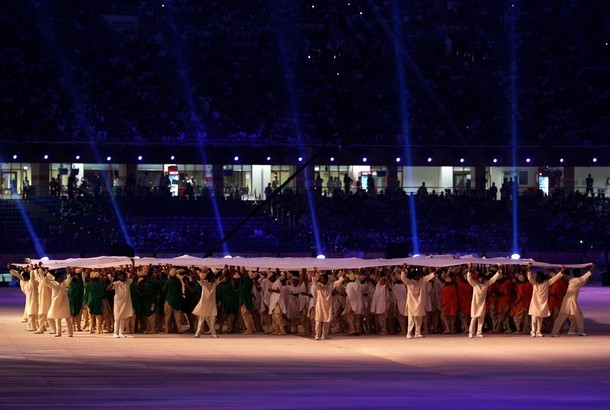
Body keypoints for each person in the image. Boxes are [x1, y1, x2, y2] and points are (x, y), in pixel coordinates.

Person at [551, 264, 595, 337]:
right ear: (578, 274)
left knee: (572, 317)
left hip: (568, 300)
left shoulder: (573, 280)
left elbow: (584, 280)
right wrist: (592, 268)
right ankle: (580, 331)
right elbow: (585, 277)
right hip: (571, 301)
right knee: (578, 315)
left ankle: (570, 330)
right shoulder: (576, 280)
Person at [466, 263, 502, 338]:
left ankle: (479, 332)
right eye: (479, 278)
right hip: (475, 303)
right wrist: (469, 268)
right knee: (474, 318)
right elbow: (469, 278)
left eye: (482, 278)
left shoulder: (486, 284)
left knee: (481, 318)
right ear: (478, 278)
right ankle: (471, 332)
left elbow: (493, 279)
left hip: (482, 304)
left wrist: (499, 270)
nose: (481, 279)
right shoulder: (474, 284)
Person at [527, 263, 564, 337]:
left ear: (541, 277)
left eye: (537, 277)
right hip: (535, 303)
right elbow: (529, 277)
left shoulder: (546, 283)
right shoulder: (535, 283)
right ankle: (533, 332)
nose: (536, 278)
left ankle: (538, 332)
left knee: (540, 319)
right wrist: (529, 268)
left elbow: (555, 278)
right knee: (534, 319)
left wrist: (562, 271)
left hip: (542, 304)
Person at [400, 265, 436, 339]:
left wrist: (436, 270)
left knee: (419, 318)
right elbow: (402, 278)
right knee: (411, 319)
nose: (420, 276)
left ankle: (417, 333)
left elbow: (430, 276)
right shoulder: (409, 282)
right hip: (411, 303)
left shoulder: (422, 281)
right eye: (418, 275)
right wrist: (403, 269)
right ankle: (409, 333)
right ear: (414, 276)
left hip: (419, 303)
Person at [312, 268, 345, 340]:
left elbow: (338, 282)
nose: (322, 280)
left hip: (327, 306)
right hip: (320, 306)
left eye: (323, 279)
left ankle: (325, 335)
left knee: (327, 321)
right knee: (318, 321)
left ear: (326, 280)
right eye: (321, 279)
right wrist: (314, 273)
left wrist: (343, 275)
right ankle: (317, 335)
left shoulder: (330, 286)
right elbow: (314, 281)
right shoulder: (319, 287)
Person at [192, 268, 223, 338]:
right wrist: (194, 271)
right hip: (204, 303)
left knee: (212, 320)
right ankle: (197, 333)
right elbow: (198, 278)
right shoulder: (204, 283)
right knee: (201, 319)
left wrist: (226, 270)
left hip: (211, 304)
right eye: (213, 278)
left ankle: (213, 333)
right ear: (210, 278)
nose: (214, 279)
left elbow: (221, 278)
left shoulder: (214, 283)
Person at [42, 270, 74, 337]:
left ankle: (70, 333)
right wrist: (44, 275)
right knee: (57, 318)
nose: (62, 278)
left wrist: (68, 273)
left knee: (67, 318)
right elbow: (46, 282)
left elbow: (69, 280)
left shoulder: (64, 284)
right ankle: (58, 332)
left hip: (64, 303)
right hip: (56, 303)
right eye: (61, 277)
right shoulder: (53, 285)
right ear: (58, 278)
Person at [9, 265, 39, 331]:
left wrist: (32, 270)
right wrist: (10, 269)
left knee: (32, 314)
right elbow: (18, 275)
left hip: (34, 300)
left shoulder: (32, 282)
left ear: (27, 277)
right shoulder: (26, 282)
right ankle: (30, 326)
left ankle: (34, 327)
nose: (23, 278)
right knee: (29, 314)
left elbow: (32, 277)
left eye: (24, 277)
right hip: (29, 301)